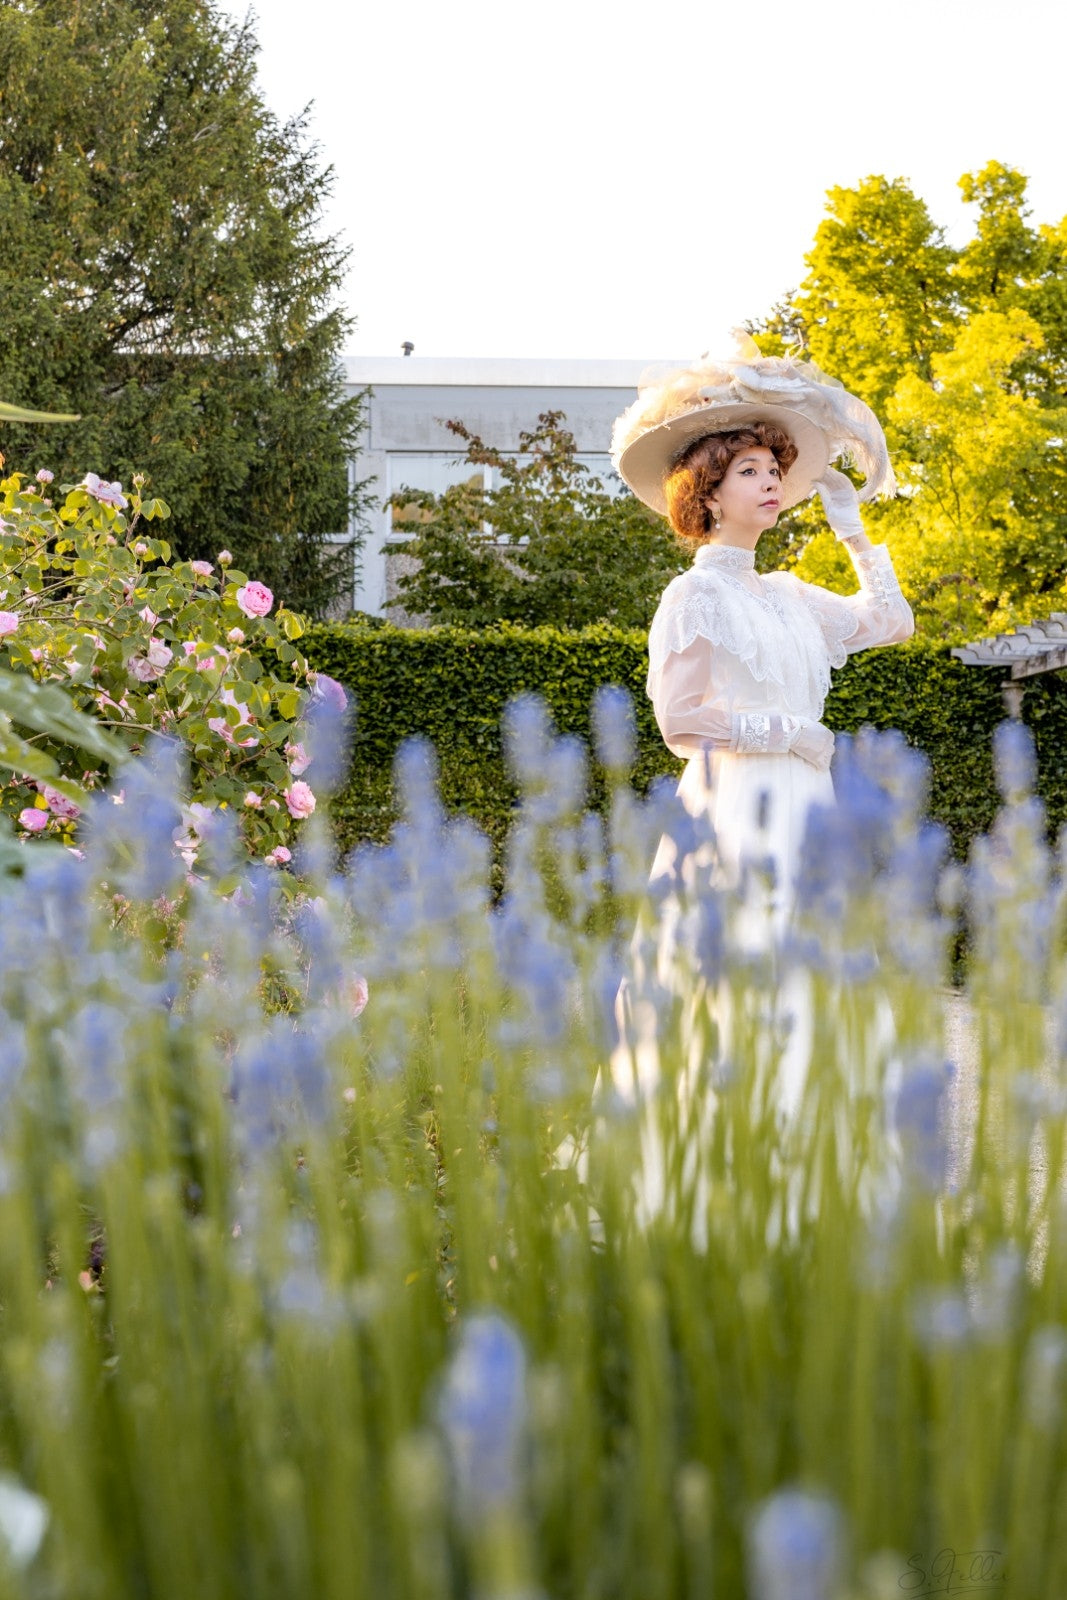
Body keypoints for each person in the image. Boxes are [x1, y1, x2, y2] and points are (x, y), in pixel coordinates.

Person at [611, 335, 914, 926]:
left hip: (809, 805)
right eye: (749, 470)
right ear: (710, 495)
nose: (771, 480)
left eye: (774, 469)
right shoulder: (693, 594)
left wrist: (851, 531)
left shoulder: (789, 593)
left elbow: (893, 622)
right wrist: (791, 731)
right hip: (734, 808)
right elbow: (680, 722)